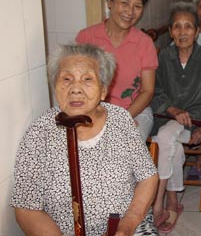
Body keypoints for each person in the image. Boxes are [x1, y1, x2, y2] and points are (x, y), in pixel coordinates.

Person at [11, 44, 158, 236]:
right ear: (55, 86)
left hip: (125, 225)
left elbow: (147, 176)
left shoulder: (121, 119)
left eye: (87, 79)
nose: (75, 89)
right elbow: (26, 207)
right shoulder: (39, 133)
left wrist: (127, 225)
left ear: (104, 90)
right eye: (66, 79)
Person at [150, 2, 201, 233]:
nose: (182, 32)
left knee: (165, 139)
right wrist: (173, 110)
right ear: (171, 31)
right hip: (167, 119)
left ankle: (159, 203)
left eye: (188, 27)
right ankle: (169, 201)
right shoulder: (164, 57)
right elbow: (156, 92)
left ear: (196, 31)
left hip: (196, 126)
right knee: (168, 139)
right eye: (177, 27)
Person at [76, 0, 157, 141]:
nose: (130, 11)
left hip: (135, 111)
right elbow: (78, 83)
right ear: (110, 2)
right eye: (125, 3)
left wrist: (122, 118)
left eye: (137, 7)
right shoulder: (87, 37)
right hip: (93, 112)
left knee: (124, 147)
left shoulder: (144, 42)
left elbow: (147, 91)